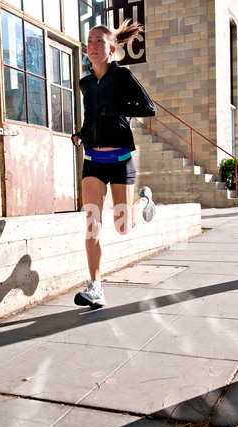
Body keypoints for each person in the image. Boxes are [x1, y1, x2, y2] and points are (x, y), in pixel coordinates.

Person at [72, 19, 156, 309]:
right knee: (92, 225)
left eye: (99, 41)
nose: (93, 45)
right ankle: (95, 287)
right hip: (93, 161)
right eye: (90, 41)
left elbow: (149, 108)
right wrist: (81, 134)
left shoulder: (123, 77)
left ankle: (144, 201)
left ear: (111, 47)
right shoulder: (85, 83)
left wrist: (116, 108)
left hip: (120, 160)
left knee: (123, 228)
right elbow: (92, 117)